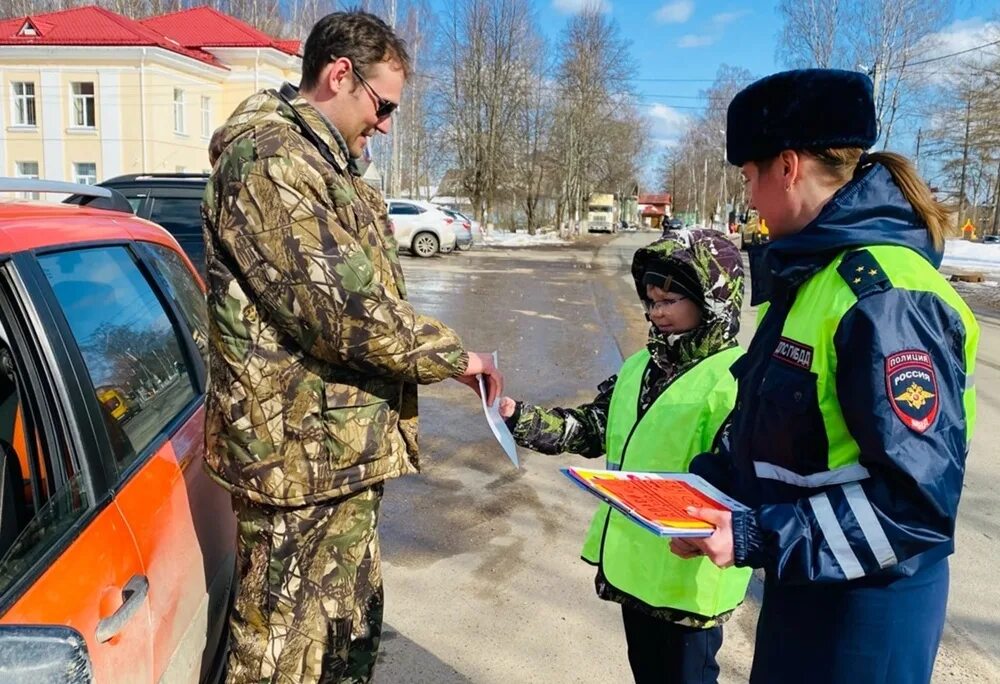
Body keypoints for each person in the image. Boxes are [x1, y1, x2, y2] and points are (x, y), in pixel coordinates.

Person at [201, 11, 503, 684]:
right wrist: (456, 357)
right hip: (291, 466)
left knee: (342, 644)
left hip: (329, 460)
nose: (387, 124)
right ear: (341, 74)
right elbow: (343, 314)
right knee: (282, 657)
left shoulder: (325, 166)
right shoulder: (271, 162)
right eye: (383, 105)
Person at [670, 69, 979, 684]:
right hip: (810, 581)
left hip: (866, 612)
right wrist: (706, 489)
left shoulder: (884, 295)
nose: (750, 199)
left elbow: (914, 506)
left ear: (787, 167)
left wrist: (759, 536)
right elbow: (786, 426)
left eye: (749, 177)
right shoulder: (818, 273)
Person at [499, 230, 752, 684]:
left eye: (670, 299)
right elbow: (590, 427)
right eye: (651, 300)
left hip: (688, 584)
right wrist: (516, 416)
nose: (657, 312)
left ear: (712, 300)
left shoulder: (735, 379)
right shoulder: (641, 367)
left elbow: (742, 483)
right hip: (634, 574)